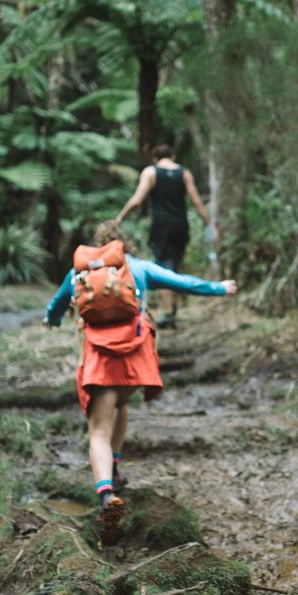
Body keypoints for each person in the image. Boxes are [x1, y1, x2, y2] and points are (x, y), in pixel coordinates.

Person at [45, 221, 238, 540]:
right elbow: (182, 282)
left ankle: (106, 493)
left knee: (98, 430)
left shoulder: (80, 273)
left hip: (100, 360)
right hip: (136, 359)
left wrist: (50, 320)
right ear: (124, 244)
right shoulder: (139, 267)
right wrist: (220, 287)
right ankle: (116, 468)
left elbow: (55, 308)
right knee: (121, 406)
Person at [113, 143, 213, 328]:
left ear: (154, 158)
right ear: (172, 156)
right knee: (174, 264)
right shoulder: (184, 173)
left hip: (161, 226)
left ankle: (168, 313)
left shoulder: (150, 172)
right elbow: (197, 202)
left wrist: (120, 218)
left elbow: (137, 200)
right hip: (181, 225)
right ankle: (172, 309)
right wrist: (209, 224)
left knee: (164, 267)